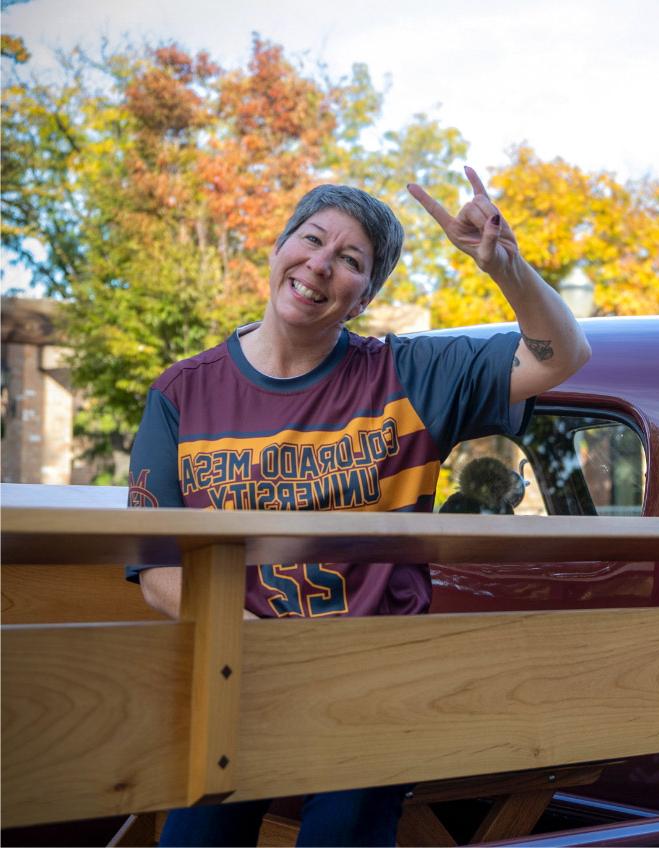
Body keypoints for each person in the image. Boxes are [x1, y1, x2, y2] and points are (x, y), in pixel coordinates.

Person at [124, 168, 590, 846]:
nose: (319, 265)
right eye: (310, 240)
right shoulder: (180, 395)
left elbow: (562, 355)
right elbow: (159, 568)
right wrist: (259, 643)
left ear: (363, 296)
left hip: (373, 686)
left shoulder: (408, 375)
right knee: (193, 839)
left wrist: (505, 267)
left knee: (342, 832)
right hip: (237, 674)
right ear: (278, 248)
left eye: (349, 262)